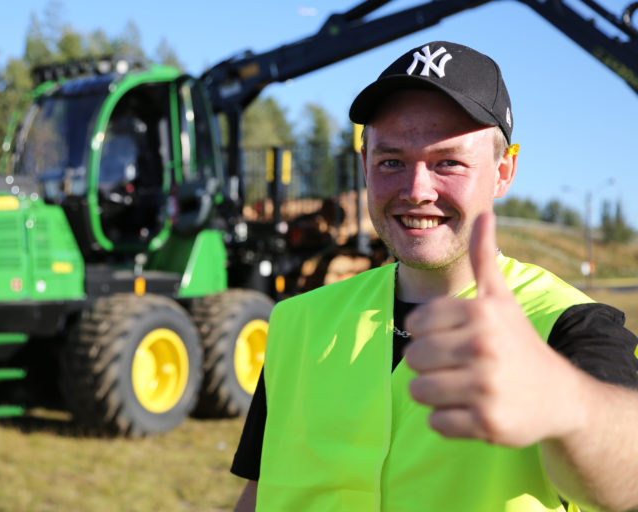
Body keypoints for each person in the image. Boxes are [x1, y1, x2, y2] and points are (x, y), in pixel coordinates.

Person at [230, 41, 638, 512]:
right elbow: (261, 492)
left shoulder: (566, 326)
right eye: (391, 162)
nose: (416, 190)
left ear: (503, 171)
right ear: (364, 166)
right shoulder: (298, 323)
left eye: (448, 162)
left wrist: (567, 404)